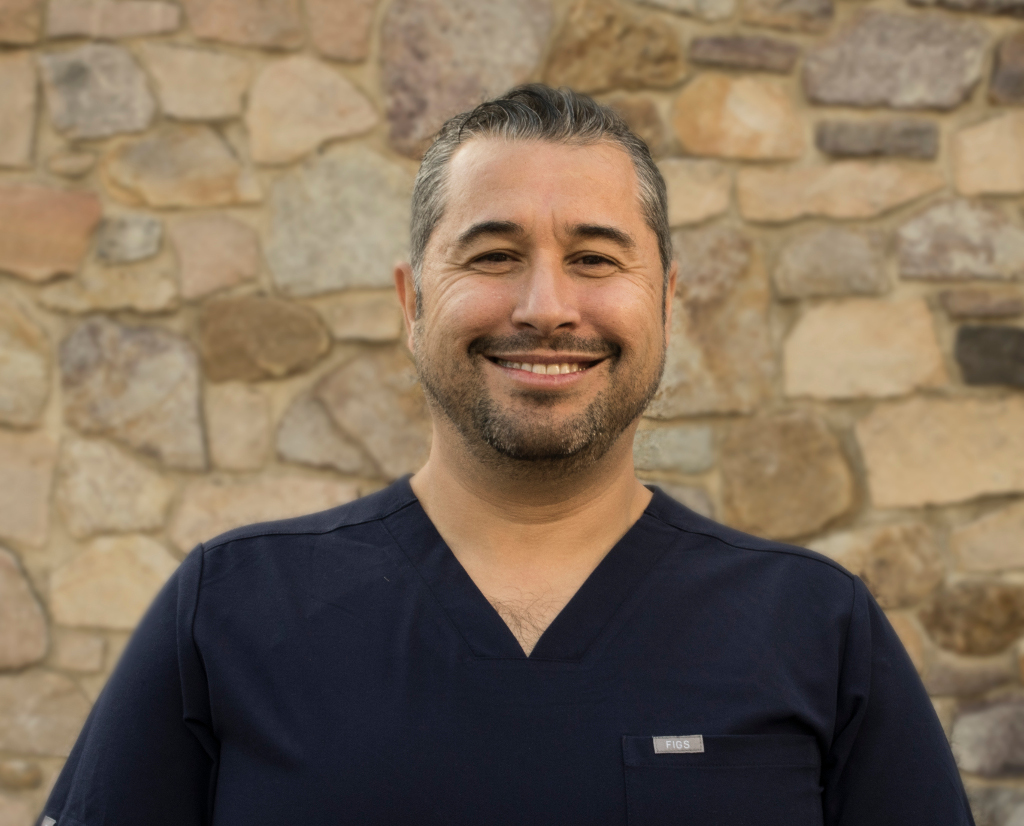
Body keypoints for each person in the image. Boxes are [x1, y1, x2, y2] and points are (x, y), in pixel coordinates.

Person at [40, 85, 973, 826]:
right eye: (492, 255)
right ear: (411, 302)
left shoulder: (815, 629)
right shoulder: (230, 612)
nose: (546, 307)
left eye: (596, 259)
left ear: (666, 300)